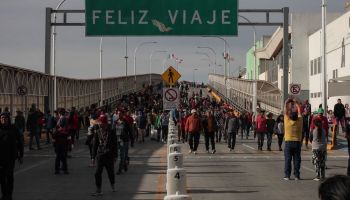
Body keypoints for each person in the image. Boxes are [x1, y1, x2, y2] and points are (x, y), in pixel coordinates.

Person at [91, 114, 117, 196]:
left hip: (109, 156)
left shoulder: (111, 132)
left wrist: (115, 156)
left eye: (100, 122)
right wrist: (93, 157)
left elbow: (115, 144)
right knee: (97, 173)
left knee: (110, 172)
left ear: (104, 123)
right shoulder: (98, 131)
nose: (99, 124)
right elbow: (95, 145)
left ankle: (112, 184)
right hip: (100, 155)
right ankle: (99, 190)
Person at [0, 112, 24, 200]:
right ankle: (4, 194)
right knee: (2, 178)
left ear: (8, 119)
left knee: (9, 176)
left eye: (5, 118)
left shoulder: (13, 128)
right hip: (0, 158)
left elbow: (20, 141)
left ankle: (9, 195)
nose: (3, 119)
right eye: (2, 118)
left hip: (10, 157)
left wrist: (21, 155)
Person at [283, 98, 303, 180]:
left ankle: (287, 175)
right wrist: (297, 104)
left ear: (289, 117)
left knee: (288, 159)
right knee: (297, 159)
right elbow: (299, 112)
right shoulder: (299, 121)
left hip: (288, 142)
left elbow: (285, 110)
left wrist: (287, 102)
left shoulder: (287, 121)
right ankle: (296, 175)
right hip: (297, 142)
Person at [52, 108, 70, 175]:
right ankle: (64, 169)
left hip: (59, 141)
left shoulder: (59, 120)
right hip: (63, 141)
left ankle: (58, 170)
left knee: (58, 156)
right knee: (63, 156)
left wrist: (54, 142)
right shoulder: (64, 120)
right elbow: (67, 132)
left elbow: (55, 133)